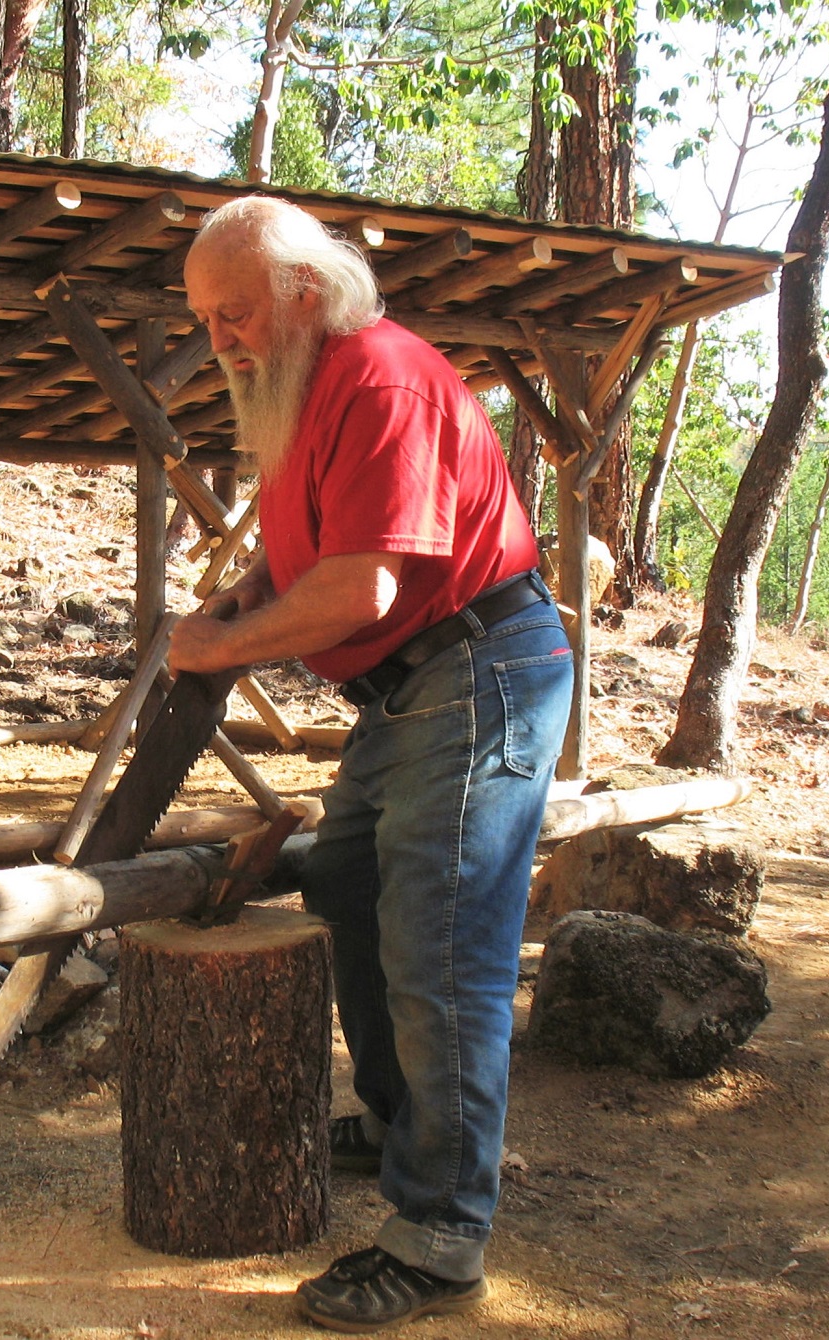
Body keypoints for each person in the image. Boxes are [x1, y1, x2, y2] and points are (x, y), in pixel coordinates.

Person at [167, 195, 573, 1333]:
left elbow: (362, 591)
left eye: (234, 312)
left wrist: (214, 643)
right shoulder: (308, 389)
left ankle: (438, 1233)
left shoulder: (380, 375)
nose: (222, 341)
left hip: (477, 667)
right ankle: (402, 1117)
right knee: (343, 878)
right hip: (408, 690)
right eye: (204, 320)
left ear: (303, 290)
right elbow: (317, 544)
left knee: (438, 939)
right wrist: (255, 587)